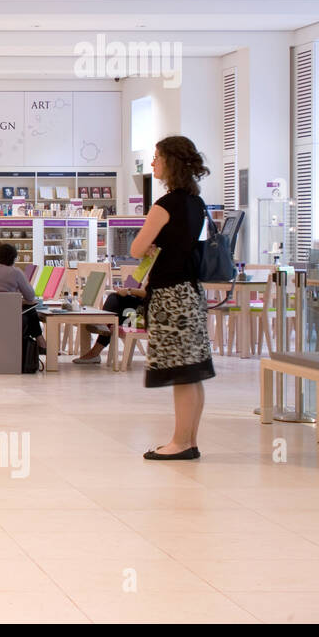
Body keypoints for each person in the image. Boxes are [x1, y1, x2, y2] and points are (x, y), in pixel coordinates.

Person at [131, 135, 215, 460]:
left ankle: (179, 442)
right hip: (191, 292)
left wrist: (150, 246)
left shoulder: (165, 205)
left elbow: (138, 248)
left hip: (169, 295)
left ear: (171, 162)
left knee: (181, 370)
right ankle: (189, 439)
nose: (153, 163)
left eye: (157, 157)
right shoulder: (196, 203)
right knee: (193, 369)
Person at [0, 243, 46, 352]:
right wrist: (19, 300)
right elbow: (30, 296)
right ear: (13, 258)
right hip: (11, 319)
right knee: (31, 310)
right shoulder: (15, 272)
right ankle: (41, 343)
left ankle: (41, 343)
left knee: (28, 309)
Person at [73, 282, 147, 364]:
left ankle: (104, 325)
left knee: (116, 301)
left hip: (149, 312)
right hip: (140, 306)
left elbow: (150, 293)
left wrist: (129, 290)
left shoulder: (160, 273)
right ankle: (105, 324)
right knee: (114, 298)